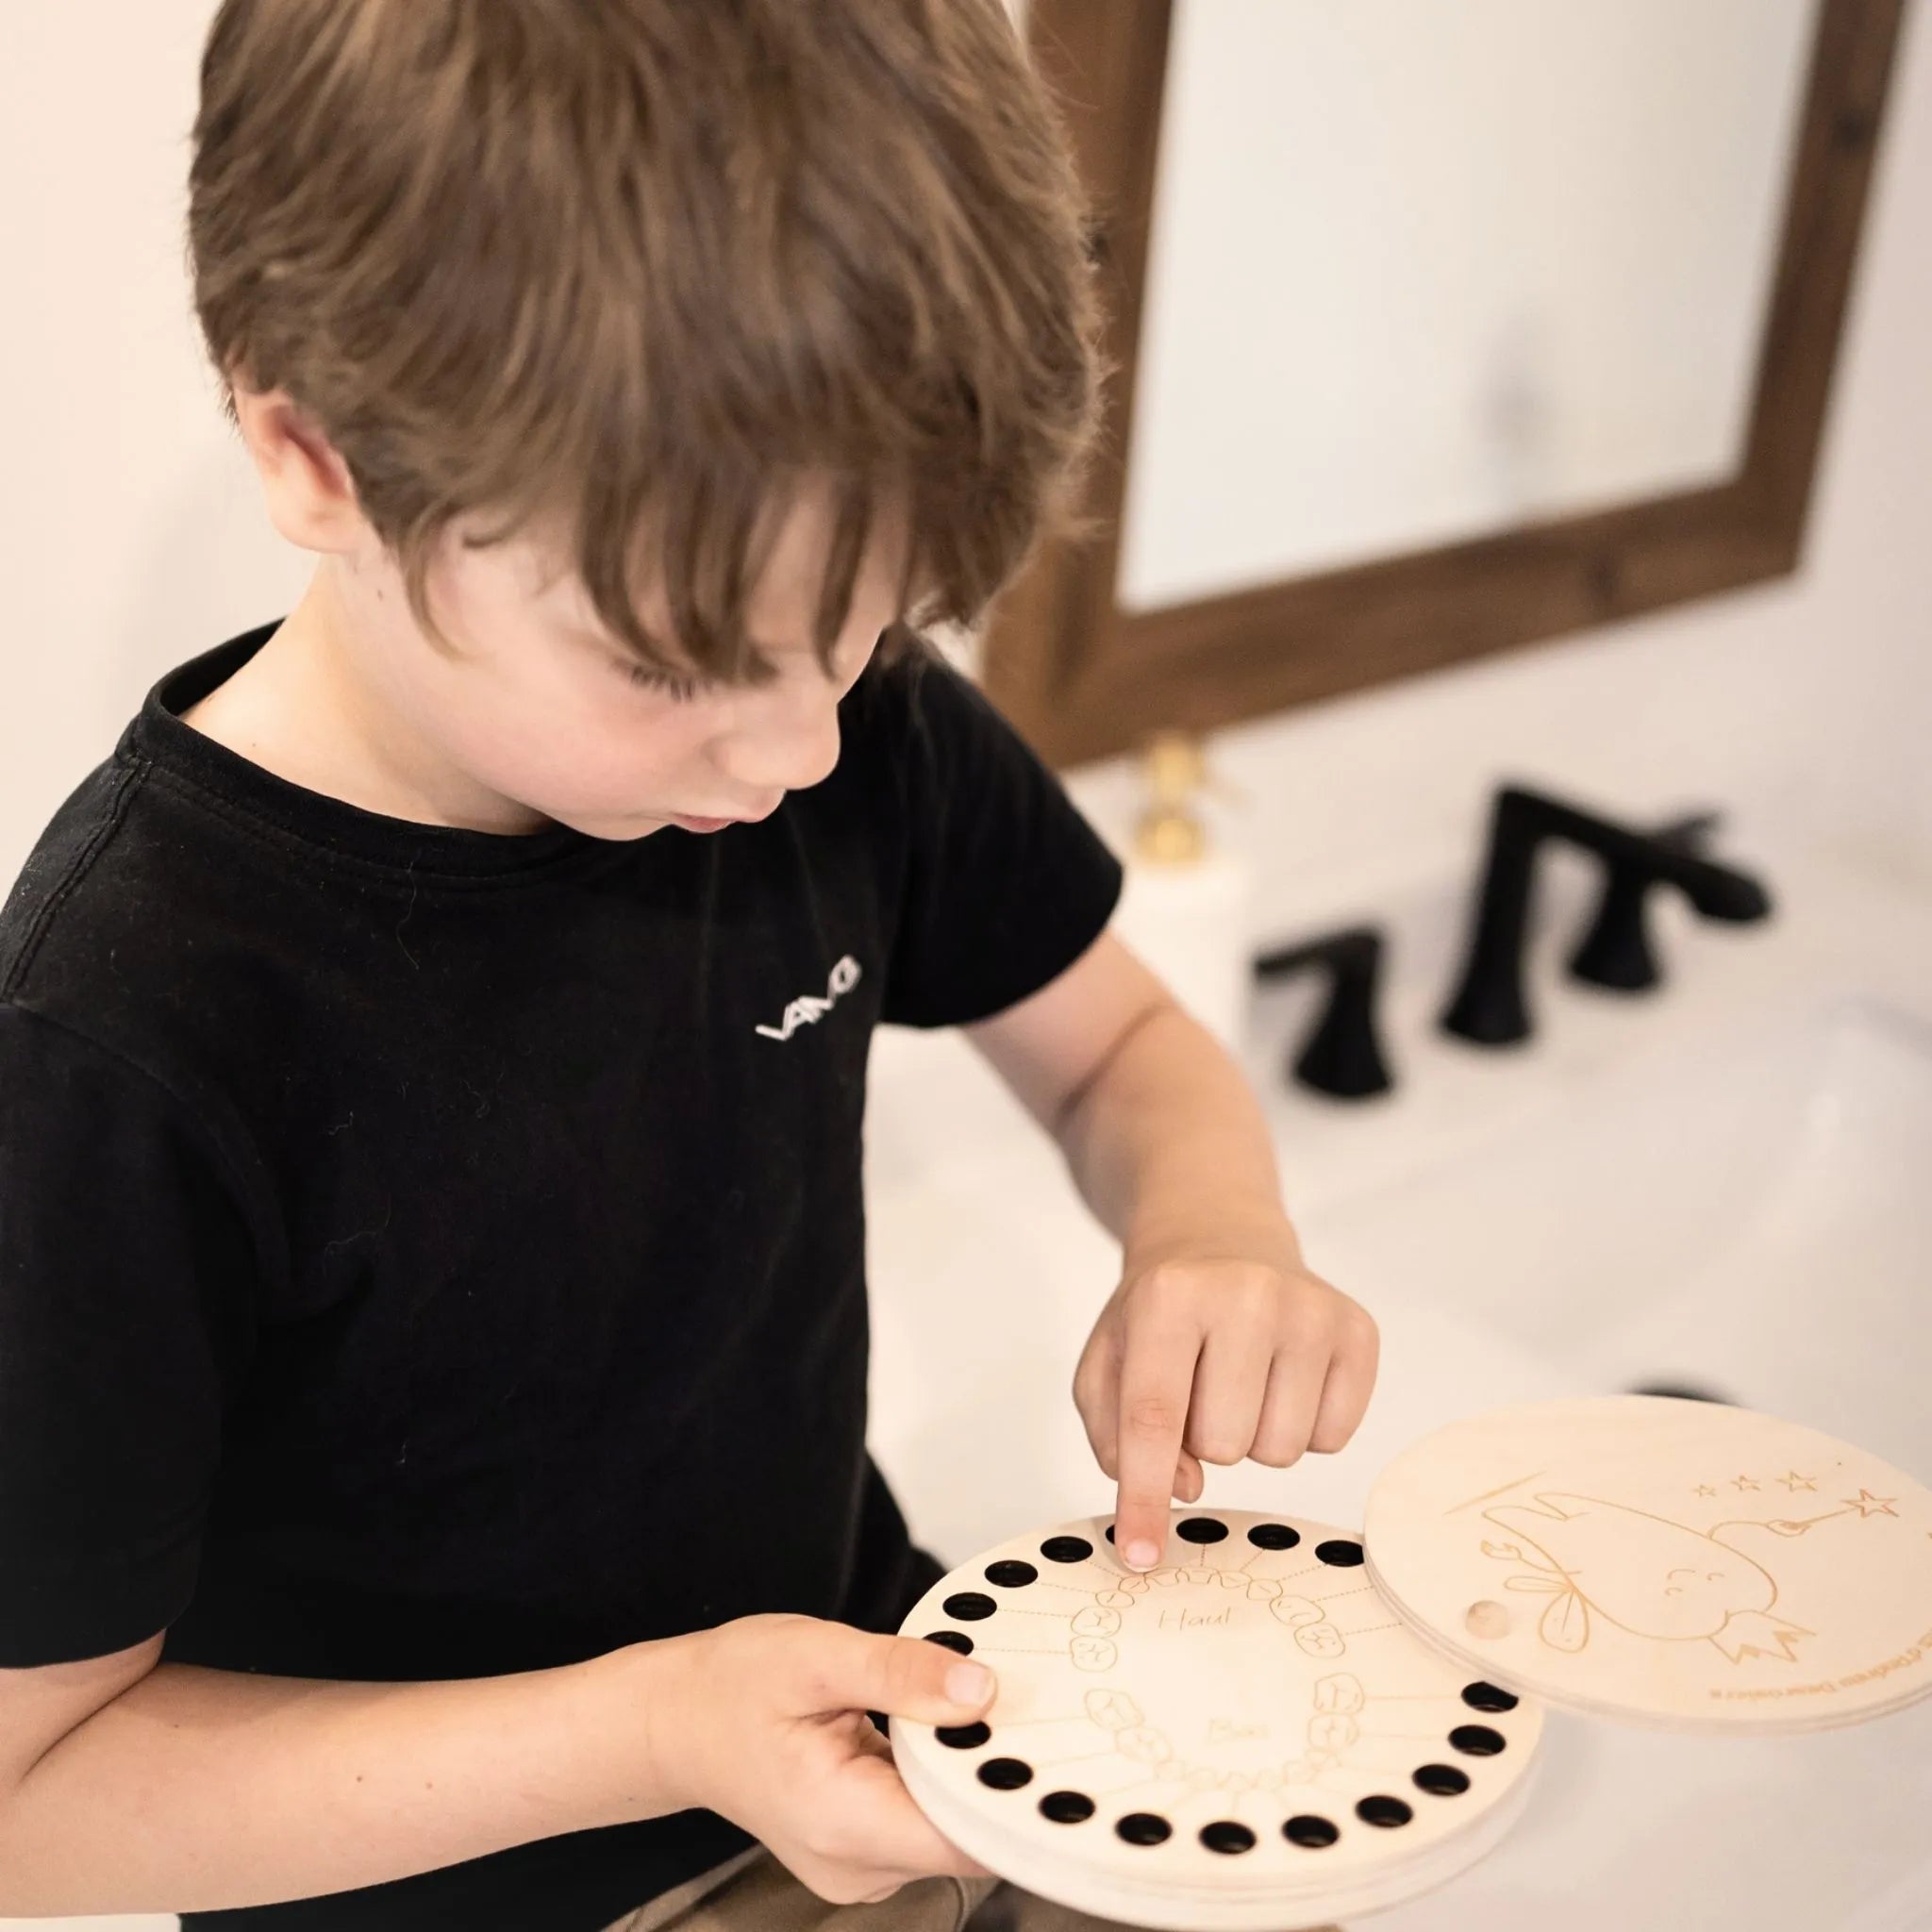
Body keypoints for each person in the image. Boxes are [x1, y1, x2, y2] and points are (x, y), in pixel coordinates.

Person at [0, 2, 1379, 1927]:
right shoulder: (119, 1036)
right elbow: (25, 1794)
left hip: (886, 1739)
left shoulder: (828, 722)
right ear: (313, 454)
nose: (800, 751)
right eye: (683, 668)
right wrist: (650, 1731)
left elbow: (1113, 1046)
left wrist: (1212, 1222)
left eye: (871, 629)